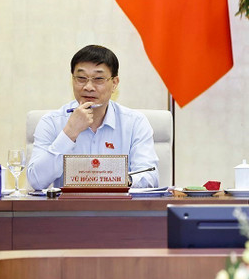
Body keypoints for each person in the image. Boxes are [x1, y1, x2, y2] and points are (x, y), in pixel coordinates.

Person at [27, 45, 159, 190]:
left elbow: (150, 177)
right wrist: (69, 133)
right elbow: (37, 181)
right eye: (81, 78)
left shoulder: (135, 123)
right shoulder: (51, 122)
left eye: (98, 79)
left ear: (114, 83)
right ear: (72, 79)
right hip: (68, 211)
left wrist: (116, 180)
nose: (88, 87)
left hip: (118, 209)